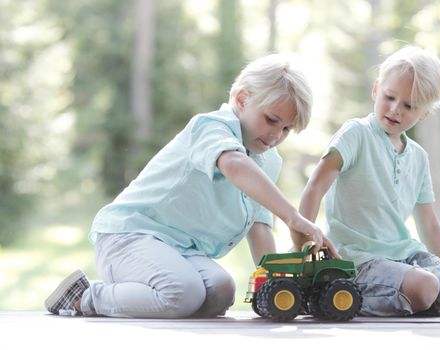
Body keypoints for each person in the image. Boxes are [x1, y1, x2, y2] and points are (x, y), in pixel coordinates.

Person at [45, 53, 338, 318]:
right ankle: (83, 297)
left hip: (181, 250)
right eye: (271, 120)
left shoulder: (268, 161)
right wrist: (292, 217)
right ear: (242, 100)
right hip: (129, 237)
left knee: (221, 291)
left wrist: (277, 280)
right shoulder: (211, 127)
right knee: (183, 293)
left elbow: (258, 226)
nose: (276, 134)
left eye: (286, 129)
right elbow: (234, 165)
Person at [293, 46, 440, 316]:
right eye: (390, 97)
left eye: (409, 106)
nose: (396, 109)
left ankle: (411, 295)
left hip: (405, 254)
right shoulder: (356, 134)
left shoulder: (419, 157)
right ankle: (329, 296)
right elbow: (315, 186)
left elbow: (430, 224)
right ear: (376, 90)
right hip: (356, 258)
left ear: (424, 114)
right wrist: (301, 244)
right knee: (425, 287)